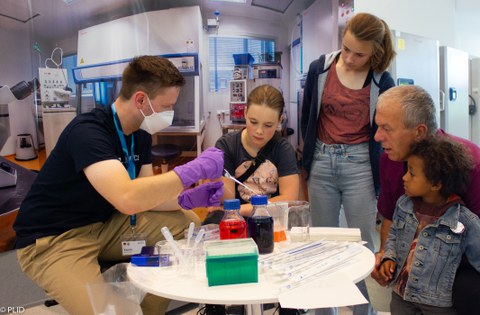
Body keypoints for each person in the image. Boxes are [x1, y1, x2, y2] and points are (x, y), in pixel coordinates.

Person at [13, 55, 224, 315]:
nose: (170, 113)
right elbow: (127, 198)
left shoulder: (140, 133)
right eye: (167, 106)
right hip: (57, 238)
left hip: (105, 225)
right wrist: (192, 171)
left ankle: (148, 310)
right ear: (140, 100)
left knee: (186, 222)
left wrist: (190, 197)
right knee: (110, 313)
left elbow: (147, 194)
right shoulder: (89, 132)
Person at [301, 12, 395, 315]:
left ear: (375, 53)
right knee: (323, 243)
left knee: (362, 246)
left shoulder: (383, 81)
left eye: (360, 54)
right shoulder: (320, 68)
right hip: (321, 161)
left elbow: (386, 131)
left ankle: (360, 311)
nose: (351, 58)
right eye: (346, 49)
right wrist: (306, 164)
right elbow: (307, 119)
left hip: (360, 167)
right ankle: (322, 310)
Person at [372, 85, 480, 314]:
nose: (377, 136)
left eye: (386, 128)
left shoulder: (471, 163)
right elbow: (390, 215)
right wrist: (385, 256)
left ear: (419, 131)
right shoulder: (389, 159)